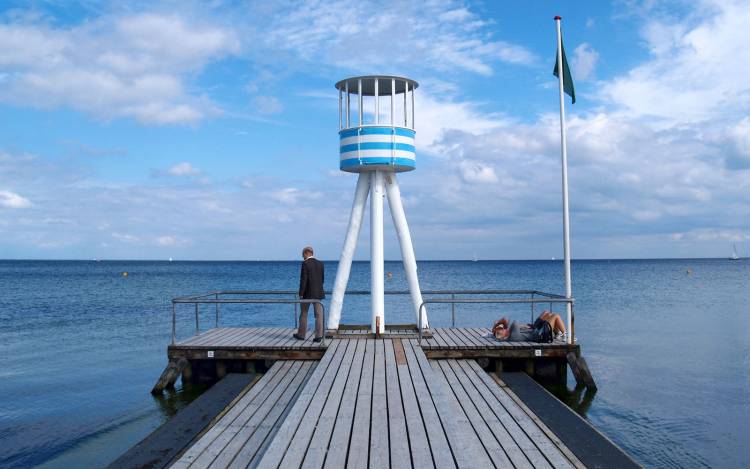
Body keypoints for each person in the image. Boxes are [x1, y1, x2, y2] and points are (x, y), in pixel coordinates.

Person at [294, 246, 324, 342]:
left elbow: (304, 280)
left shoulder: (305, 264)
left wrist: (301, 293)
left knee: (304, 314)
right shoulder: (320, 264)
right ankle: (319, 336)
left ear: (307, 253)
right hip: (318, 293)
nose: (302, 257)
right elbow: (322, 279)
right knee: (319, 315)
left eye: (303, 255)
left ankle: (301, 335)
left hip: (307, 294)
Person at [493, 310, 566, 341]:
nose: (504, 329)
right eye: (502, 330)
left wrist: (498, 325)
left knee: (549, 314)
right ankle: (566, 335)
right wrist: (504, 326)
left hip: (537, 332)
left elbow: (507, 322)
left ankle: (557, 333)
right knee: (556, 316)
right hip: (540, 335)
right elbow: (514, 322)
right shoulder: (512, 336)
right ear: (504, 335)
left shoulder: (510, 335)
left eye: (502, 329)